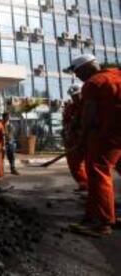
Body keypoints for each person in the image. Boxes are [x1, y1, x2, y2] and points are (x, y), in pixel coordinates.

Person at [68, 54, 121, 235]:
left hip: (106, 136)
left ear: (87, 68)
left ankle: (103, 222)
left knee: (98, 173)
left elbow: (89, 115)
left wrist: (82, 139)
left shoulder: (93, 83)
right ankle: (92, 215)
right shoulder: (117, 75)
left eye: (77, 71)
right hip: (117, 136)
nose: (77, 76)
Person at [62, 84, 88, 192]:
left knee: (92, 164)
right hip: (74, 140)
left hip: (88, 139)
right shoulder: (70, 108)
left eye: (76, 95)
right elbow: (66, 122)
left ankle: (94, 187)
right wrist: (66, 133)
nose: (75, 98)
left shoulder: (88, 104)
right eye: (73, 96)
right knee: (74, 163)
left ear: (81, 93)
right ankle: (84, 184)